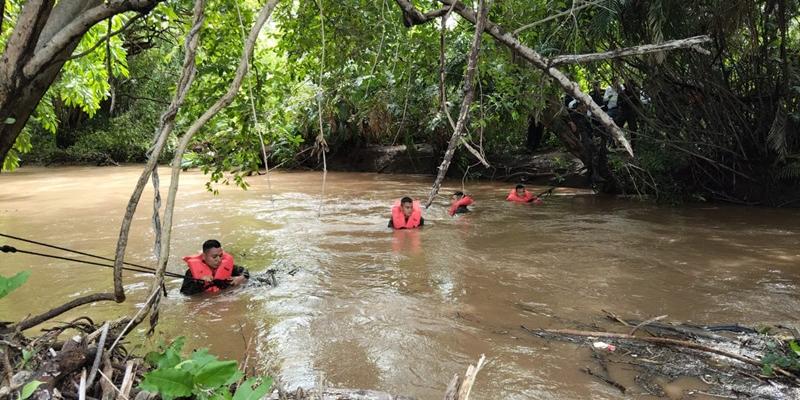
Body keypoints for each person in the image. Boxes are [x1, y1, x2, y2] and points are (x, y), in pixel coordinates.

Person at [180, 239, 249, 295]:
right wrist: (200, 282)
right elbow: (185, 293)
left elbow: (245, 271)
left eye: (220, 256)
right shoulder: (191, 273)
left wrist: (240, 278)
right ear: (204, 257)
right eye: (214, 257)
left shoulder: (226, 267)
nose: (219, 260)